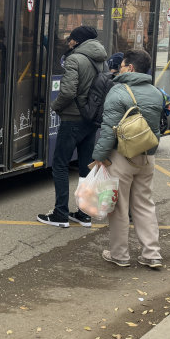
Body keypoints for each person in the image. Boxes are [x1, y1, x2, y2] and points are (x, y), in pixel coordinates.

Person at [91, 49, 164, 268]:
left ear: (130, 68)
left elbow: (109, 130)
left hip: (122, 157)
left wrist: (98, 157)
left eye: (121, 66)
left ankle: (119, 255)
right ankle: (152, 254)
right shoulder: (156, 92)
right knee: (144, 205)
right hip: (147, 156)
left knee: (120, 208)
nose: (118, 69)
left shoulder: (118, 91)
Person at [38, 25, 107, 228]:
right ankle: (84, 215)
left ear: (77, 41)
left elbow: (68, 92)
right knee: (86, 167)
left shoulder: (74, 59)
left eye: (71, 39)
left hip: (73, 119)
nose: (68, 42)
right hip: (91, 120)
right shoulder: (102, 60)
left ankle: (60, 214)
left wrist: (54, 106)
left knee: (60, 165)